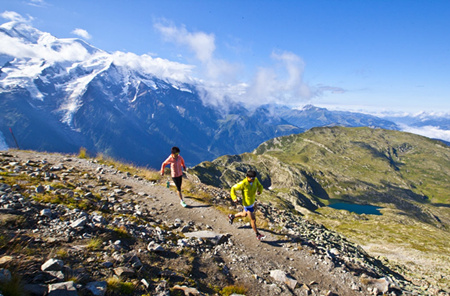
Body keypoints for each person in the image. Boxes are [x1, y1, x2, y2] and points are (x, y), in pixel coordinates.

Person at [228, 170, 265, 240]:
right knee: (253, 220)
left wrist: (260, 190)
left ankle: (232, 216)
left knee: (244, 214)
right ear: (247, 177)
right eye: (252, 178)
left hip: (252, 202)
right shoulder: (243, 183)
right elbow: (233, 188)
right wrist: (234, 198)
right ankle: (258, 234)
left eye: (254, 178)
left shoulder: (255, 180)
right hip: (247, 204)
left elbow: (260, 186)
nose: (253, 179)